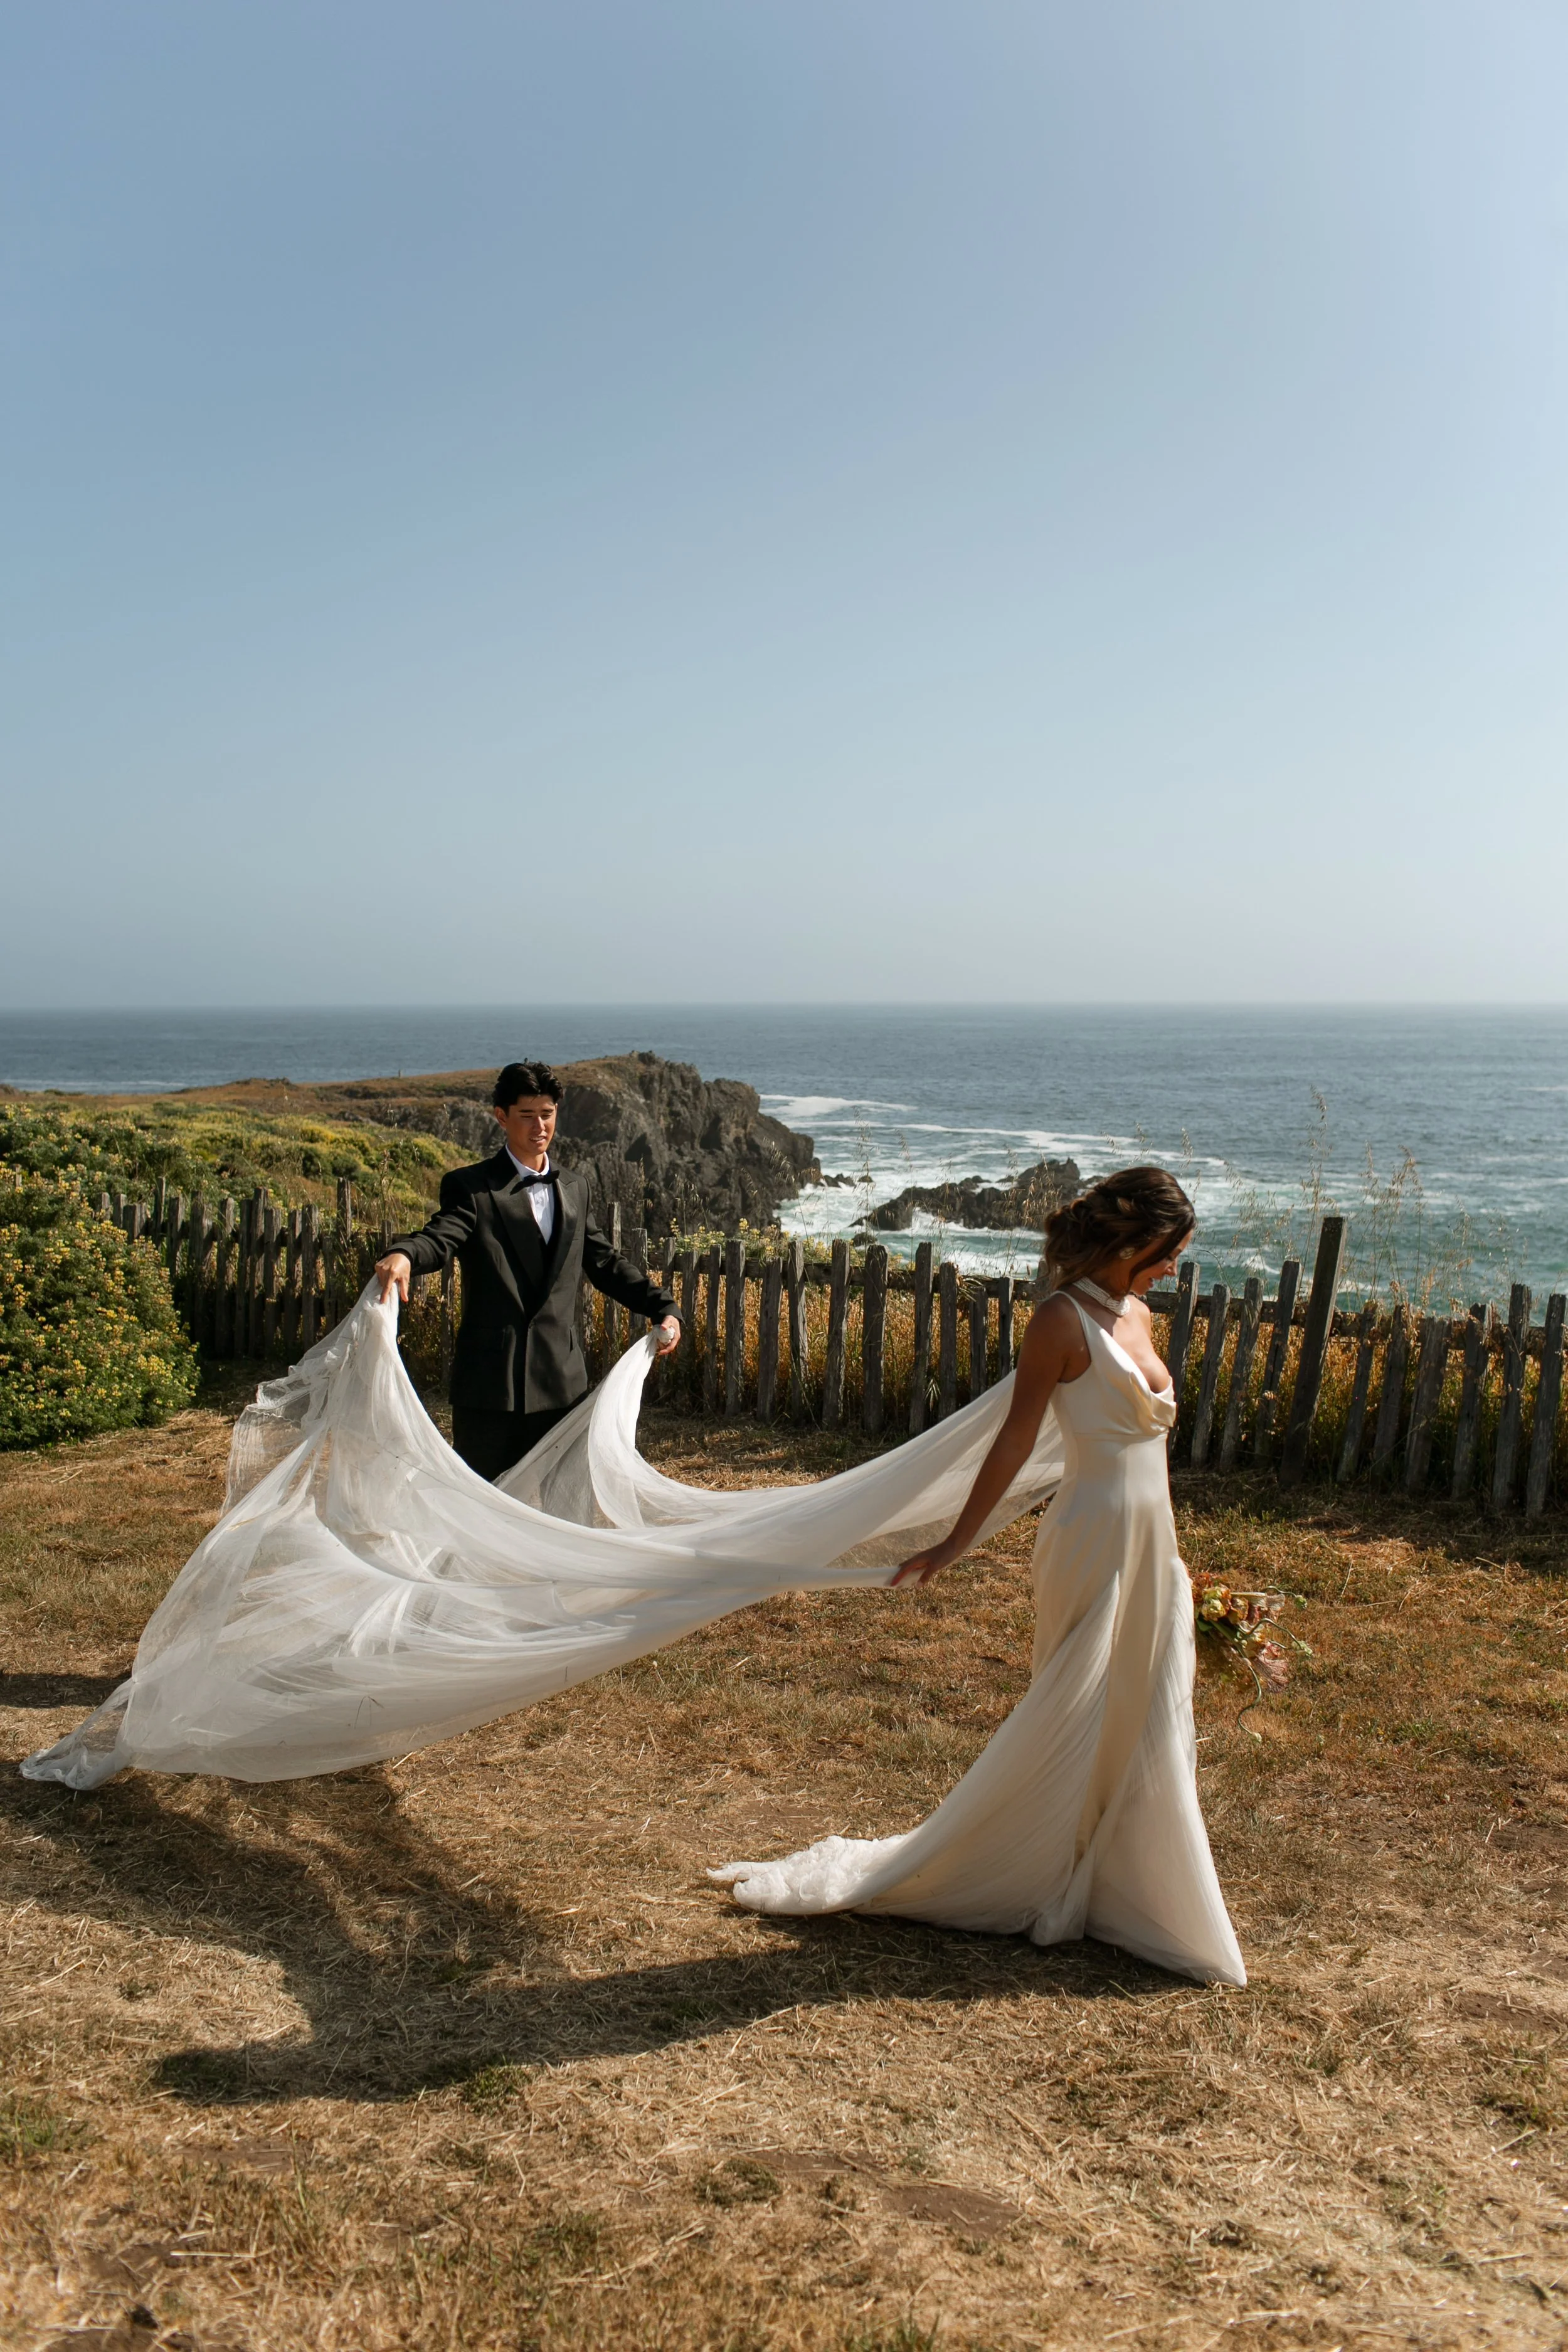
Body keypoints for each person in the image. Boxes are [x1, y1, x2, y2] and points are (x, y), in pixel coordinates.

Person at [709, 1166, 1247, 1986]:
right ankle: (1036, 1864)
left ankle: (1128, 1879)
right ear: (1137, 1242)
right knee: (1078, 1702)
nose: (1175, 1268)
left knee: (1149, 1706)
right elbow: (1012, 1441)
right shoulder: (1061, 1324)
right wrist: (957, 1541)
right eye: (1170, 1252)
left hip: (1153, 1539)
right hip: (1093, 1538)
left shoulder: (1138, 1312)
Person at [375, 1060, 680, 1482]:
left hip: (562, 1382)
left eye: (547, 1114)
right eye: (527, 1115)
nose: (539, 1126)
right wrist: (406, 1254)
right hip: (491, 1388)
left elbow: (605, 1263)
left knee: (566, 1511)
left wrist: (664, 1306)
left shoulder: (576, 1187)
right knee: (484, 1513)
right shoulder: (471, 1188)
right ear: (501, 1117)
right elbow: (440, 1236)